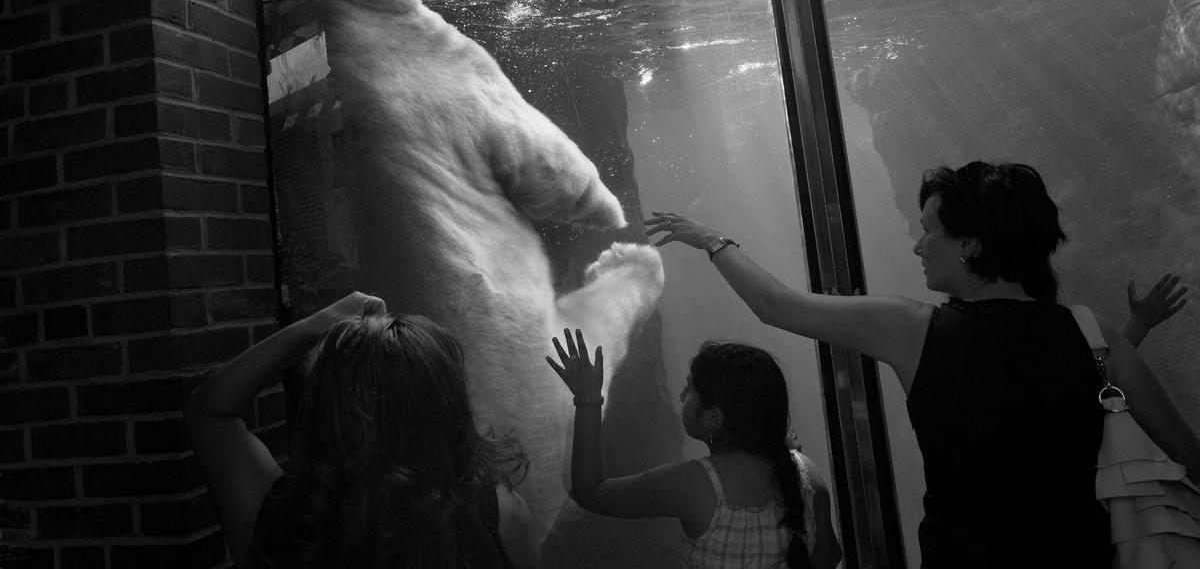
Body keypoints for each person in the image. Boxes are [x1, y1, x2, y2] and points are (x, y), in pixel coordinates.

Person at [645, 160, 1200, 569]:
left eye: (930, 230)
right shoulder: (1091, 332)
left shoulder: (914, 330)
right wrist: (1136, 330)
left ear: (971, 245)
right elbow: (1183, 451)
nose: (918, 246)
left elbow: (776, 307)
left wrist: (713, 241)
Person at [185, 292, 542, 569]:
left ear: (326, 409)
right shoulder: (499, 518)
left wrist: (319, 323)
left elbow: (209, 411)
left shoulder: (280, 527)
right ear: (447, 407)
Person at [547, 329, 842, 569]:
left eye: (690, 389)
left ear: (713, 417)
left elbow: (590, 491)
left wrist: (588, 399)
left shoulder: (695, 485)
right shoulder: (806, 472)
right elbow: (830, 556)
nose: (681, 394)